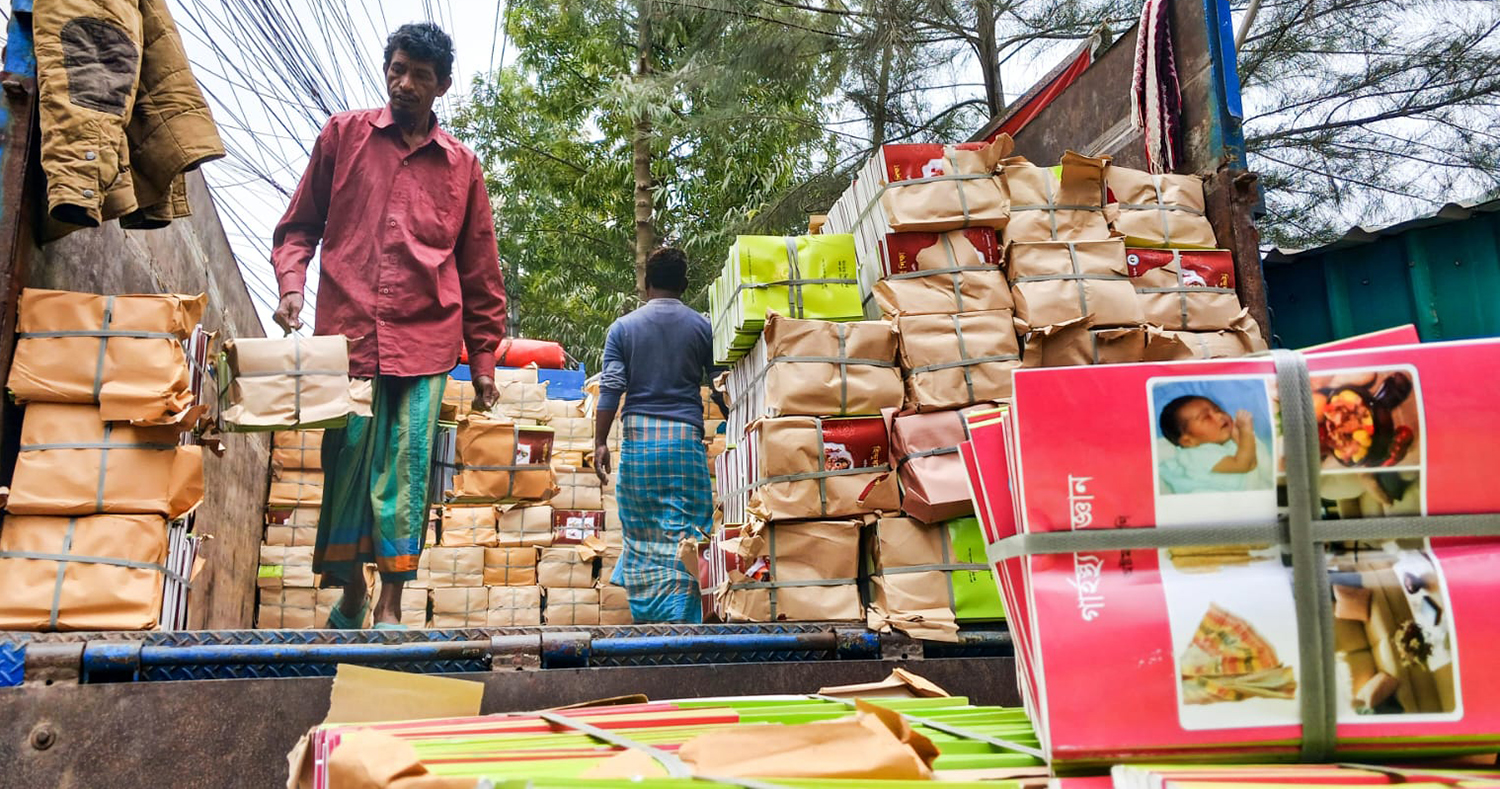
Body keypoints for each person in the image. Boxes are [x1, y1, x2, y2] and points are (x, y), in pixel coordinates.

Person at [270, 23, 508, 628]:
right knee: (345, 461)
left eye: (419, 76)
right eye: (397, 70)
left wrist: (483, 364)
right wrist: (293, 287)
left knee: (406, 467)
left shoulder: (462, 167)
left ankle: (392, 603)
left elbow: (480, 273)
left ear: (442, 87)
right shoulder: (343, 137)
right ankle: (349, 590)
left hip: (425, 342)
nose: (404, 84)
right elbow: (299, 227)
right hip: (346, 338)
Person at [594, 247, 726, 623]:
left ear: (646, 284)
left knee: (642, 536)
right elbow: (719, 386)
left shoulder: (622, 329)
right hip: (683, 442)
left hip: (638, 444)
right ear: (684, 284)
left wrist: (601, 441)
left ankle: (649, 625)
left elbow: (612, 386)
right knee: (686, 533)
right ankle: (682, 625)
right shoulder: (702, 326)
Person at [1157, 394, 1272, 494]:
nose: (1219, 416)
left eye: (1218, 410)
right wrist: (1246, 431)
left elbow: (1250, 459)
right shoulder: (1195, 456)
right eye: (1206, 417)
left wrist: (1238, 437)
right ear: (1188, 441)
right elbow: (1244, 465)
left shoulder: (1226, 443)